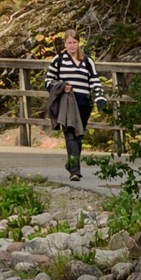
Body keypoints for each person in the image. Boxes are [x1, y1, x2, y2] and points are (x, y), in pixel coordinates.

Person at [45, 31, 100, 183]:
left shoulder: (87, 61)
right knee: (70, 133)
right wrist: (62, 87)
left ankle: (71, 163)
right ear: (65, 44)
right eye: (69, 43)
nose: (72, 46)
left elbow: (94, 80)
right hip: (67, 103)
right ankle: (75, 171)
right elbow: (48, 81)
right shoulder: (59, 60)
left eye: (74, 43)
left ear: (78, 43)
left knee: (79, 135)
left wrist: (100, 98)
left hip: (84, 103)